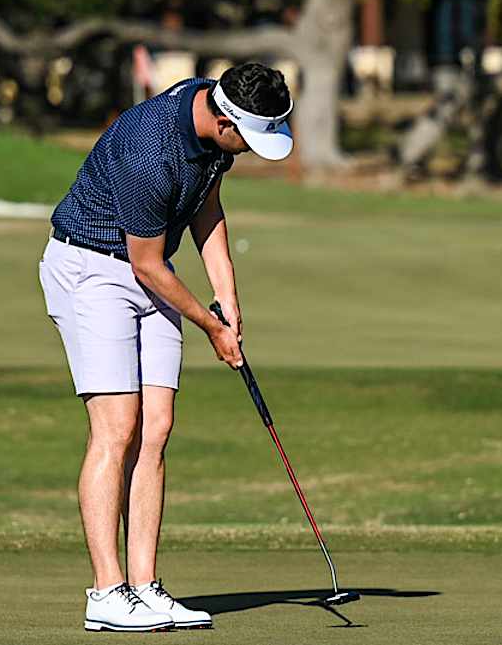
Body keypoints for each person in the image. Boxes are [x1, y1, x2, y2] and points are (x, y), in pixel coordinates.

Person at [39, 61, 294, 632]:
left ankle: (146, 587)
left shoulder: (215, 130)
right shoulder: (149, 149)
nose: (250, 151)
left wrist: (228, 298)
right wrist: (210, 324)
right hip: (91, 268)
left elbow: (207, 208)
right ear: (224, 120)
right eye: (248, 140)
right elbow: (146, 264)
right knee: (117, 428)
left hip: (147, 268)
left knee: (156, 428)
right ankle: (106, 593)